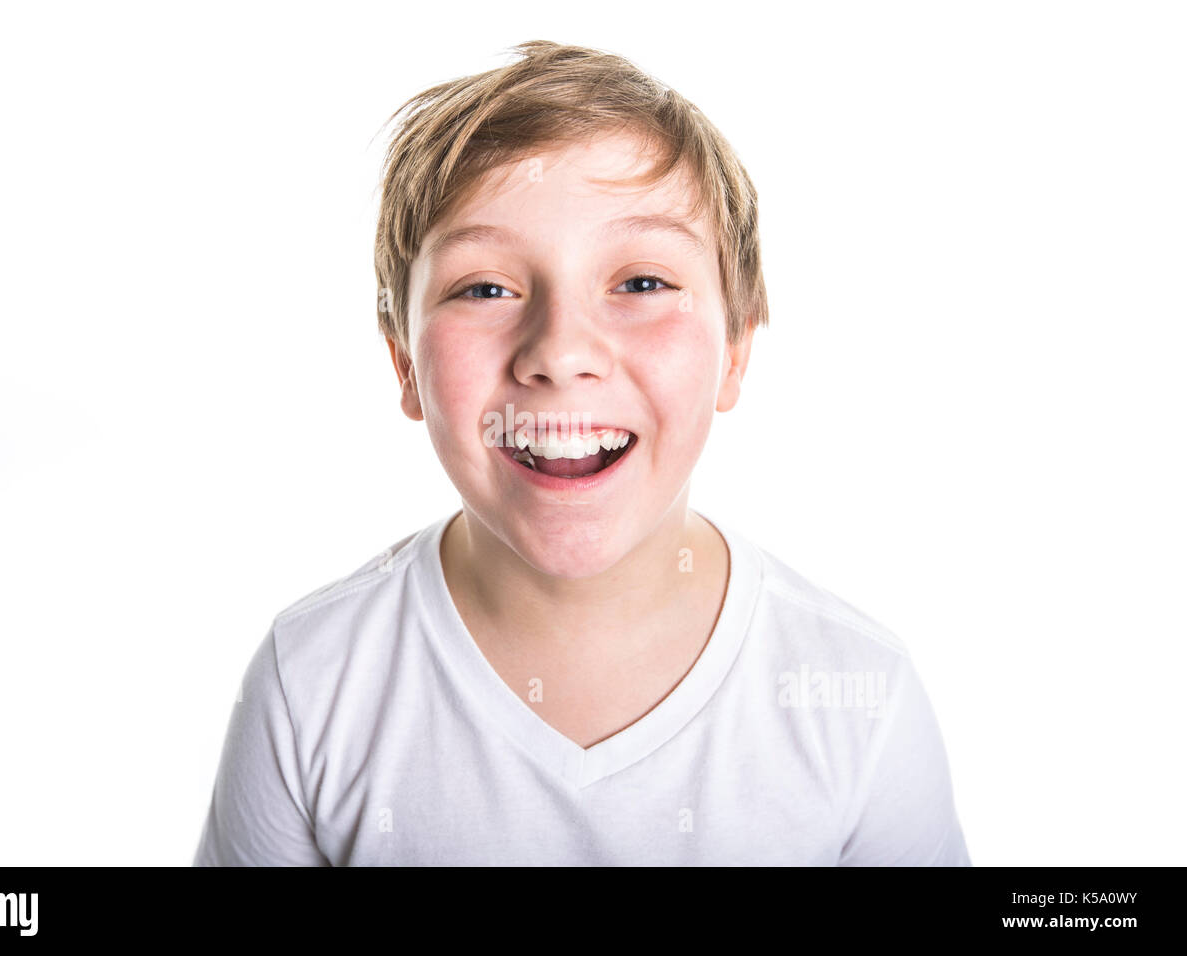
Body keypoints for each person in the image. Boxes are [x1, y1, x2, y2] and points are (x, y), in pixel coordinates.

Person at [193, 39, 971, 866]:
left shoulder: (858, 699)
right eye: (486, 288)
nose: (560, 352)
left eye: (641, 283)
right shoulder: (308, 684)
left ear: (735, 351)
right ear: (405, 364)